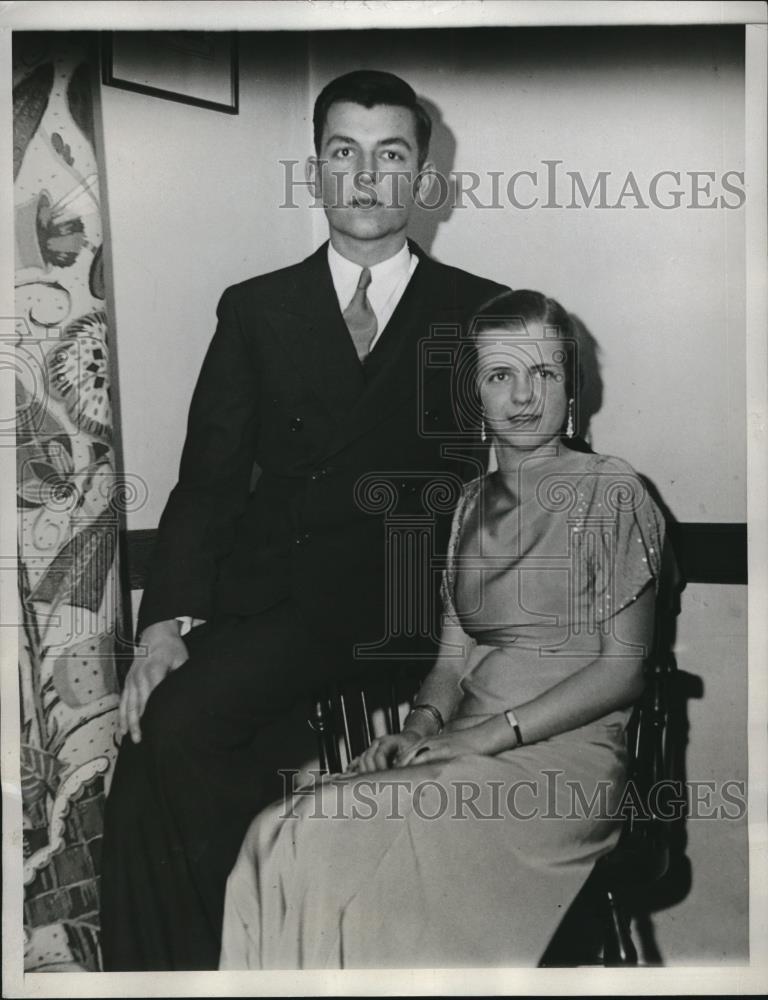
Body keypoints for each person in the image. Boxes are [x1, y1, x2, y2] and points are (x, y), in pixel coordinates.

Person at [99, 70, 507, 971]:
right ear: (316, 172)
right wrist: (163, 623)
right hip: (268, 604)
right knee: (147, 757)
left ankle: (260, 956)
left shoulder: (480, 311)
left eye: (390, 156)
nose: (365, 177)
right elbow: (205, 482)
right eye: (343, 154)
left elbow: (509, 490)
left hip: (399, 610)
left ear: (423, 181)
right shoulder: (254, 308)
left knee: (180, 733)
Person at [219, 289, 671, 969]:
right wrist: (418, 728)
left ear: (571, 387)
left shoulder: (614, 491)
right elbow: (452, 661)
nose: (523, 396)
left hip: (561, 764)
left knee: (325, 832)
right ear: (476, 396)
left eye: (543, 373)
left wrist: (488, 736)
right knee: (275, 830)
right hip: (465, 748)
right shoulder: (467, 506)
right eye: (500, 375)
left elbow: (623, 669)